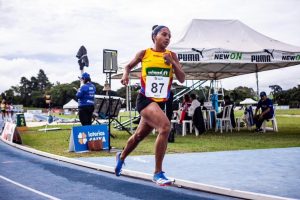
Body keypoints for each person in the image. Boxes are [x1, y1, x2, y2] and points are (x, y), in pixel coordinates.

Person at [115, 25, 185, 186]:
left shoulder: (172, 55)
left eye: (170, 36)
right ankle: (158, 173)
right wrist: (125, 74)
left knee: (139, 136)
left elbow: (181, 78)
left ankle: (122, 156)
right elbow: (127, 66)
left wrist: (173, 63)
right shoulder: (144, 53)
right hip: (145, 99)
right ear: (154, 36)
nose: (167, 38)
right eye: (164, 34)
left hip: (161, 103)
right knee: (165, 127)